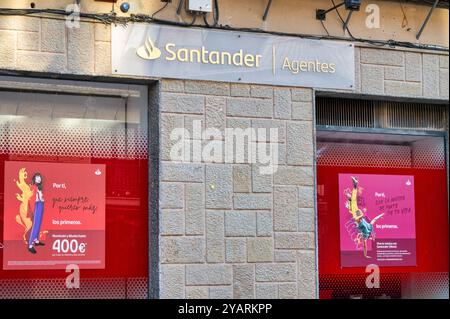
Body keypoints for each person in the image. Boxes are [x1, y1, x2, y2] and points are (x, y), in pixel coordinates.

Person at [346, 176, 384, 259]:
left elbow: (375, 219)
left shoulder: (368, 230)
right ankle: (355, 185)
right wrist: (365, 255)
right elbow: (365, 245)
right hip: (358, 216)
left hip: (358, 215)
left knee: (351, 208)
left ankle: (349, 199)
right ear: (370, 235)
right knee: (353, 202)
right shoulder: (366, 233)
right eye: (371, 237)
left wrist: (381, 215)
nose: (370, 237)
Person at [28, 173, 45, 254]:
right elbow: (31, 199)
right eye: (37, 177)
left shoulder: (39, 187)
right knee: (35, 226)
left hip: (41, 204)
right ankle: (30, 245)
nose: (39, 179)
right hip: (36, 206)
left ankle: (36, 241)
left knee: (39, 225)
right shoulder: (32, 186)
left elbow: (41, 197)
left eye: (40, 177)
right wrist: (33, 210)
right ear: (34, 178)